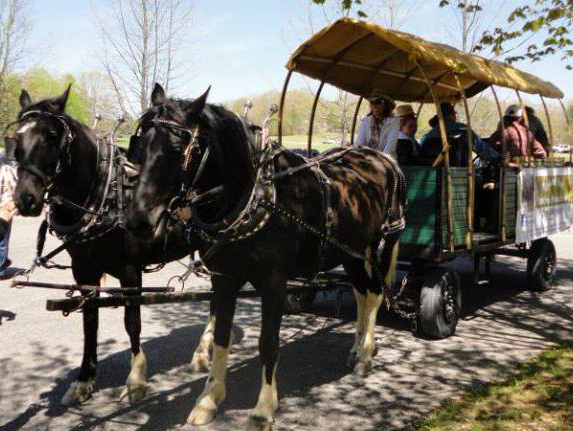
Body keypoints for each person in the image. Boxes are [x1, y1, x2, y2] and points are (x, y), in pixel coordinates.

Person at [420, 102, 501, 165]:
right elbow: (478, 145)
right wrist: (498, 158)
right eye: (455, 114)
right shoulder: (460, 128)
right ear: (452, 114)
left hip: (433, 169)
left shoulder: (431, 132)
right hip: (455, 170)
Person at [355, 90, 400, 160]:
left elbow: (390, 147)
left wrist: (378, 161)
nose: (375, 106)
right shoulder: (366, 121)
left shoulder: (394, 121)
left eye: (379, 102)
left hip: (386, 160)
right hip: (366, 158)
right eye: (372, 102)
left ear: (385, 104)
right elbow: (359, 143)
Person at [0, 140, 18, 275]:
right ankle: (1, 266)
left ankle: (3, 261)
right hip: (5, 207)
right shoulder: (7, 171)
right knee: (3, 238)